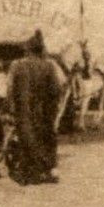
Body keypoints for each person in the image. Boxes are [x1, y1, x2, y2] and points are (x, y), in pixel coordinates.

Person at [8, 31, 63, 183]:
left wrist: (12, 106)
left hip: (24, 108)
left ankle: (31, 171)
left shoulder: (18, 66)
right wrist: (53, 108)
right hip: (43, 109)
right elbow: (56, 90)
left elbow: (11, 89)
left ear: (28, 50)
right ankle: (49, 169)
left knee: (26, 136)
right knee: (47, 136)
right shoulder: (49, 66)